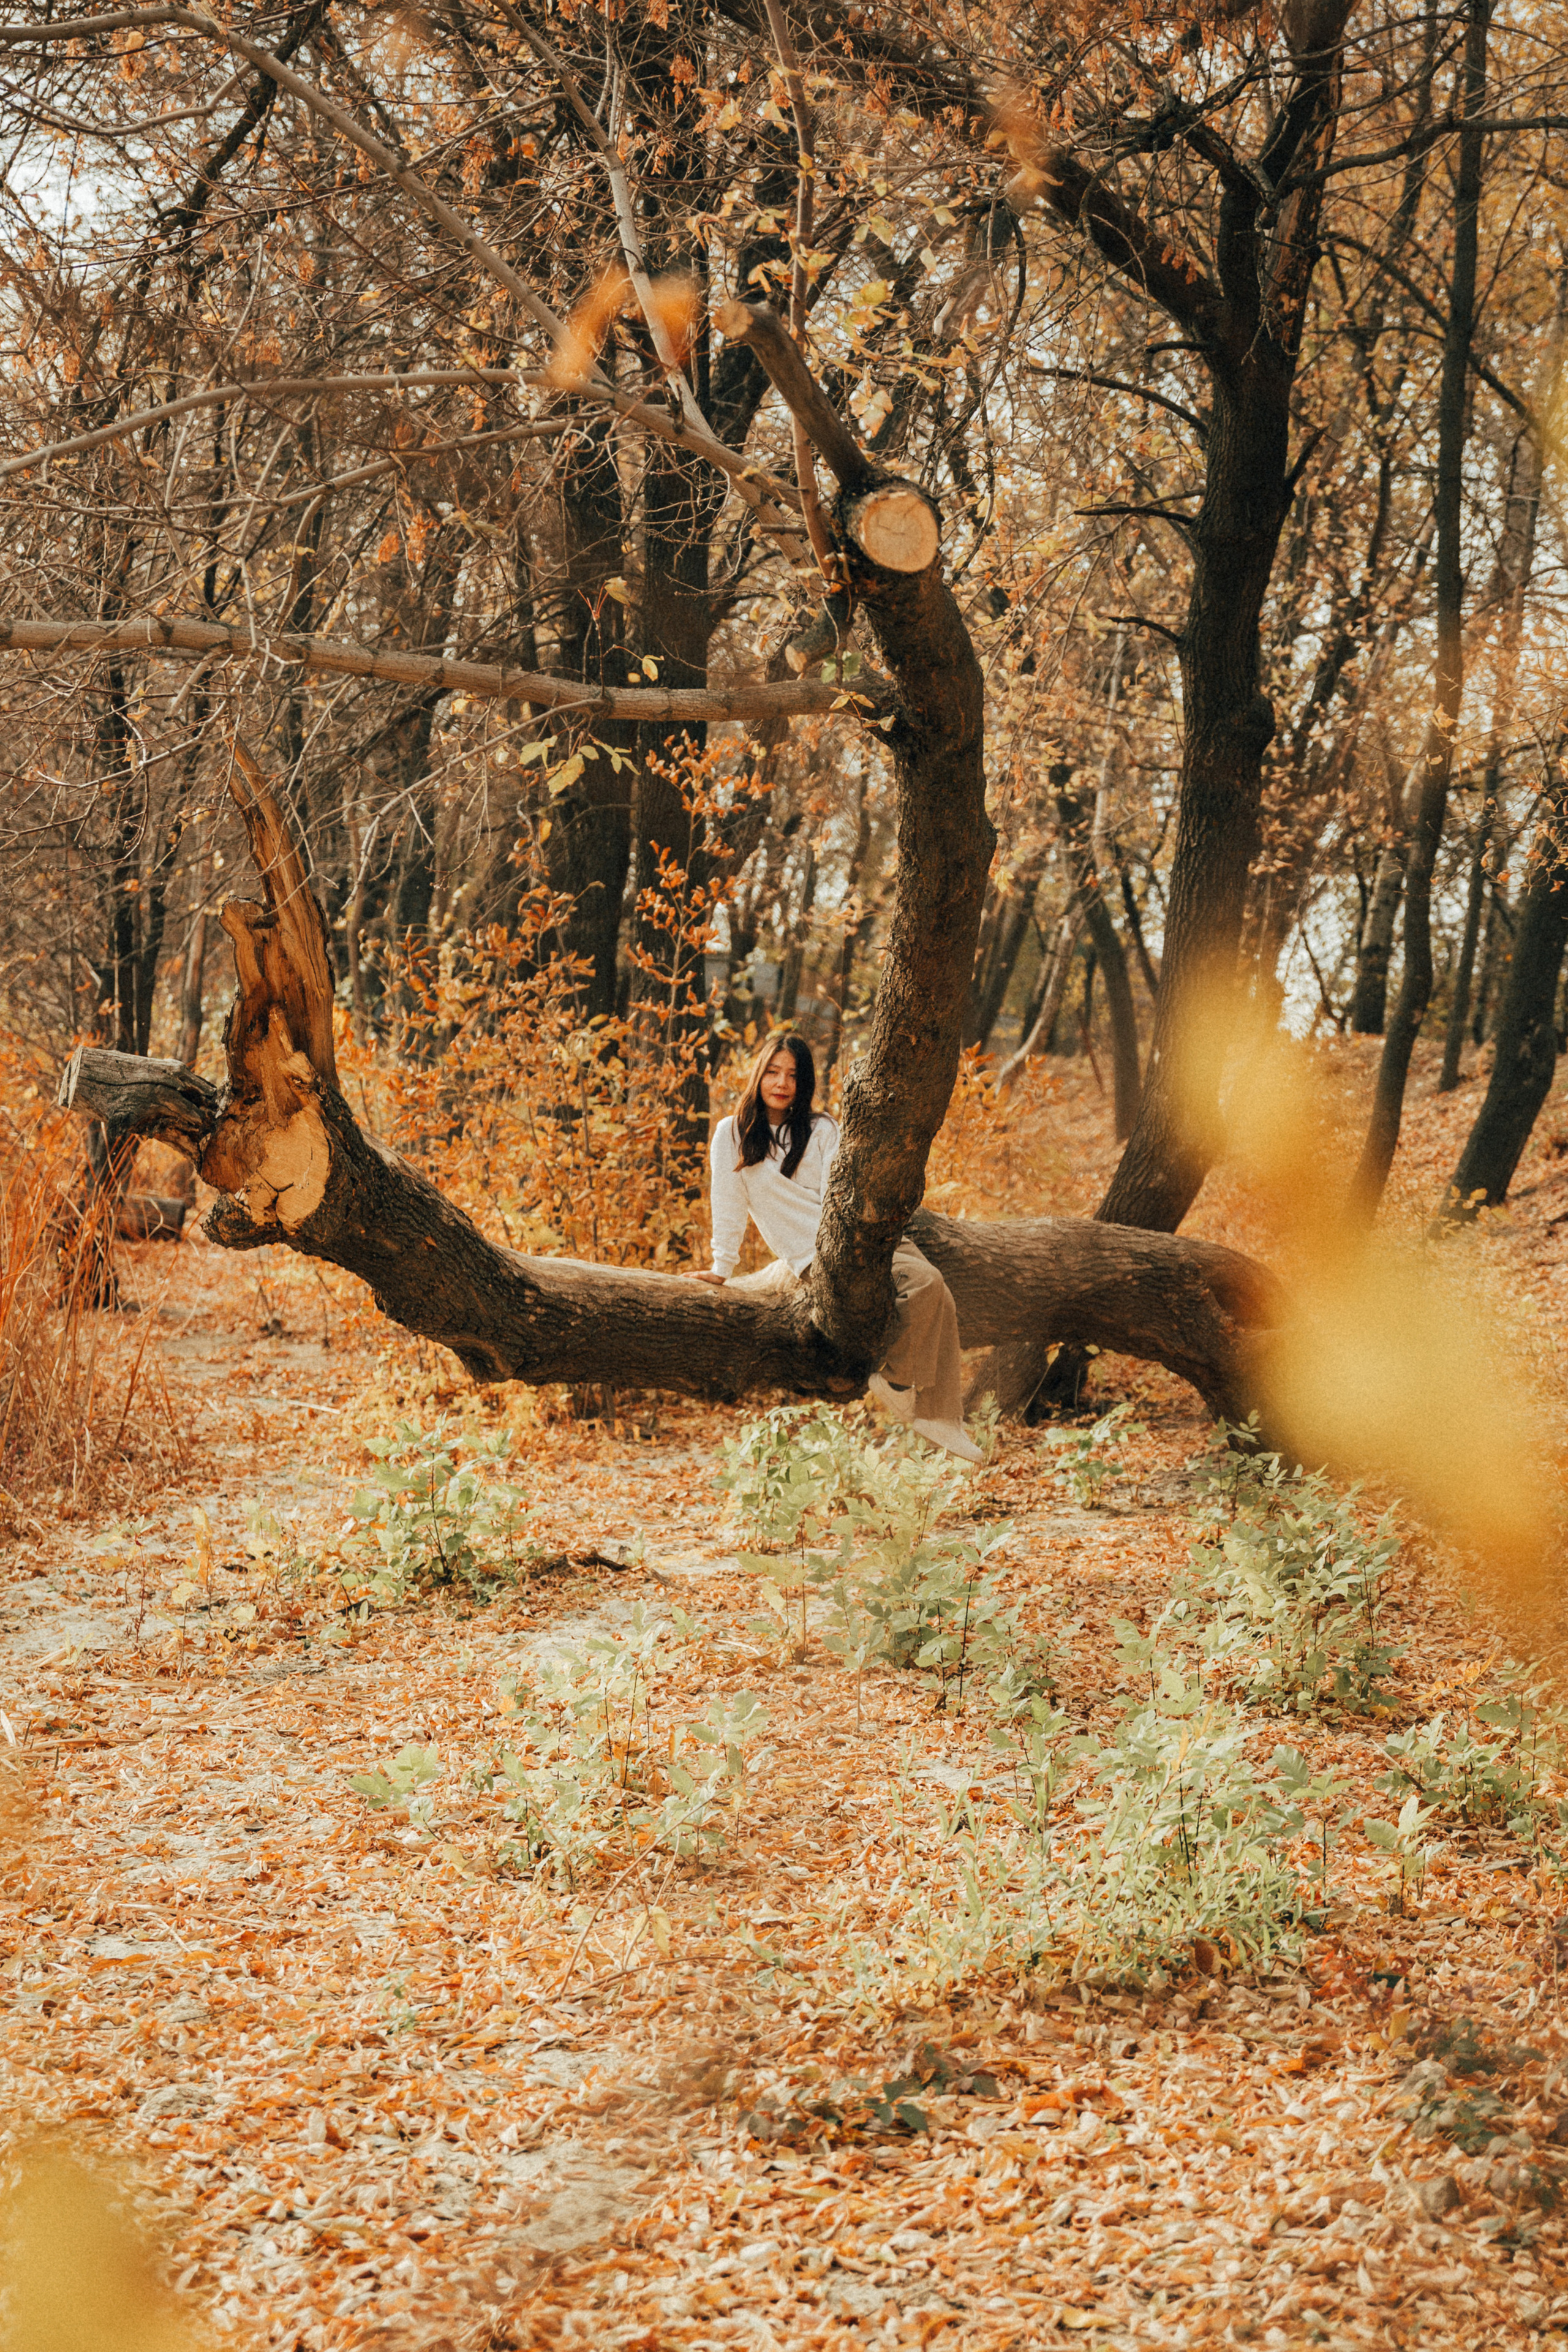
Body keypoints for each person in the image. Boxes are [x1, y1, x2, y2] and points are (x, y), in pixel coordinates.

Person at [685, 1032, 981, 1463]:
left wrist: (861, 1245)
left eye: (793, 1075)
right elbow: (727, 1207)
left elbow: (836, 1198)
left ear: (805, 1084)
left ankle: (940, 1417)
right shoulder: (731, 1134)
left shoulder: (822, 1129)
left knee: (943, 1299)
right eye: (773, 1072)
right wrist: (720, 1267)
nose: (782, 1083)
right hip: (814, 1257)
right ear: (759, 1074)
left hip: (853, 1240)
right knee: (927, 1282)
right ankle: (897, 1381)